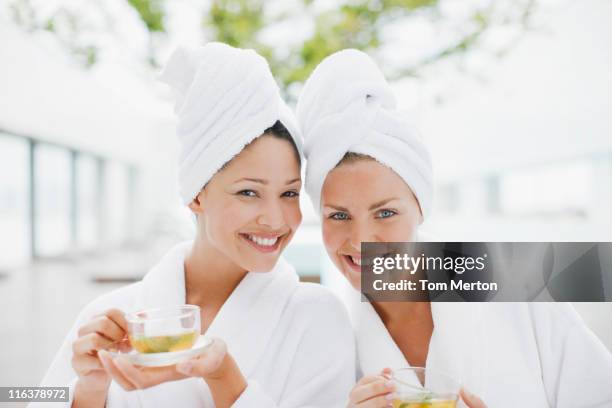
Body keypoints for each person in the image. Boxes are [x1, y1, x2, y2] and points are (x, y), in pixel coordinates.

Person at [36, 43, 355, 408]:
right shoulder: (111, 315)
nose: (276, 219)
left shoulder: (317, 316)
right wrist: (89, 391)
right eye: (249, 192)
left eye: (289, 194)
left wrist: (225, 379)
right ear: (196, 195)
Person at [296, 48, 612, 408]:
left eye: (385, 213)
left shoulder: (517, 278)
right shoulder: (325, 336)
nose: (361, 240)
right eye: (338, 216)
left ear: (420, 208)